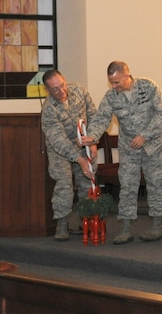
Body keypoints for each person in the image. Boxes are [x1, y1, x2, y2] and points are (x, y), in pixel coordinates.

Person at [80, 61, 162, 244]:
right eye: (111, 83)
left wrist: (145, 135)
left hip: (154, 145)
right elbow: (101, 118)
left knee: (156, 184)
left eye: (117, 82)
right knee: (128, 185)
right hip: (129, 147)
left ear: (127, 75)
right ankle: (126, 228)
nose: (114, 86)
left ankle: (156, 226)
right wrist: (92, 136)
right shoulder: (111, 96)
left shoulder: (148, 87)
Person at [41, 69, 99, 241]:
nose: (61, 91)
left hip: (84, 143)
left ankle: (87, 220)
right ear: (48, 90)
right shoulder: (49, 109)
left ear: (65, 80)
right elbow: (58, 139)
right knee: (64, 184)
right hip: (60, 149)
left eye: (62, 85)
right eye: (55, 89)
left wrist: (94, 141)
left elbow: (93, 115)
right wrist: (80, 160)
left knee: (87, 182)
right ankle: (62, 223)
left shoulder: (79, 91)